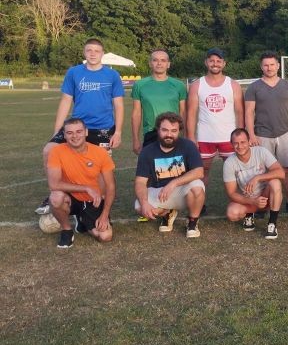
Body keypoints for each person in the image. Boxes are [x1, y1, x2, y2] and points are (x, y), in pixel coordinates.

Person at [36, 38, 124, 215]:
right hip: (77, 126)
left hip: (102, 128)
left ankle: (99, 203)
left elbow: (119, 105)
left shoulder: (112, 75)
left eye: (96, 51)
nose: (93, 54)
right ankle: (56, 192)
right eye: (89, 50)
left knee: (101, 169)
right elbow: (65, 101)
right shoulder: (74, 72)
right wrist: (57, 130)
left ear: (102, 54)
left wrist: (118, 132)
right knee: (49, 150)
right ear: (84, 53)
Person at [244, 51, 288, 216]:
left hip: (284, 134)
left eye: (272, 64)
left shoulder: (287, 85)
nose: (269, 68)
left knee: (287, 170)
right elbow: (249, 112)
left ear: (278, 66)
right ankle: (263, 203)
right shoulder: (254, 87)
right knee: (262, 171)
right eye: (266, 65)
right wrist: (251, 135)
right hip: (262, 134)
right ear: (261, 67)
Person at [46, 117, 115, 249]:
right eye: (70, 133)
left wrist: (105, 214)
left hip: (93, 200)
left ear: (86, 132)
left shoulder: (100, 153)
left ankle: (82, 219)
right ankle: (66, 230)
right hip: (71, 197)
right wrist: (86, 188)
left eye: (79, 131)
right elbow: (53, 184)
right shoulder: (56, 152)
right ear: (64, 135)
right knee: (55, 197)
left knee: (105, 236)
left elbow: (111, 186)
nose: (75, 136)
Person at [134, 112, 205, 238]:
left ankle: (192, 221)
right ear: (158, 130)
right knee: (139, 206)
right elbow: (140, 182)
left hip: (182, 191)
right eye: (165, 130)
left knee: (197, 186)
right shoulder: (147, 151)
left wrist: (173, 183)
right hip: (161, 192)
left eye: (174, 131)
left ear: (179, 131)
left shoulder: (188, 146)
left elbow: (199, 171)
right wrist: (144, 203)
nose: (169, 134)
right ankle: (167, 212)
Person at [186, 47, 244, 189]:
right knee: (202, 171)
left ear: (224, 63)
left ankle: (236, 199)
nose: (215, 64)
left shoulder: (233, 85)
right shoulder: (196, 85)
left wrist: (241, 134)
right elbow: (191, 113)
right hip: (205, 136)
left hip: (229, 137)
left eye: (218, 61)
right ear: (206, 62)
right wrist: (191, 136)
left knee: (235, 171)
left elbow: (239, 111)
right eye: (212, 61)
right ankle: (200, 199)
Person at [223, 128, 285, 239]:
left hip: (265, 196)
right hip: (248, 198)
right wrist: (253, 201)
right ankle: (249, 214)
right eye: (236, 143)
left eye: (243, 142)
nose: (240, 146)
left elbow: (281, 173)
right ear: (231, 144)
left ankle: (272, 223)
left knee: (275, 182)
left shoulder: (261, 151)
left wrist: (258, 177)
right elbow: (231, 193)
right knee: (232, 213)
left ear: (249, 142)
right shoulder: (229, 163)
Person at [131, 49, 187, 155]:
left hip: (172, 133)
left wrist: (184, 135)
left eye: (163, 60)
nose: (159, 63)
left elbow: (183, 112)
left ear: (168, 64)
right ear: (150, 63)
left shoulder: (179, 85)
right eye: (155, 60)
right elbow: (136, 113)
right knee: (150, 164)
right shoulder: (140, 85)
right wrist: (135, 139)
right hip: (151, 133)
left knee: (174, 164)